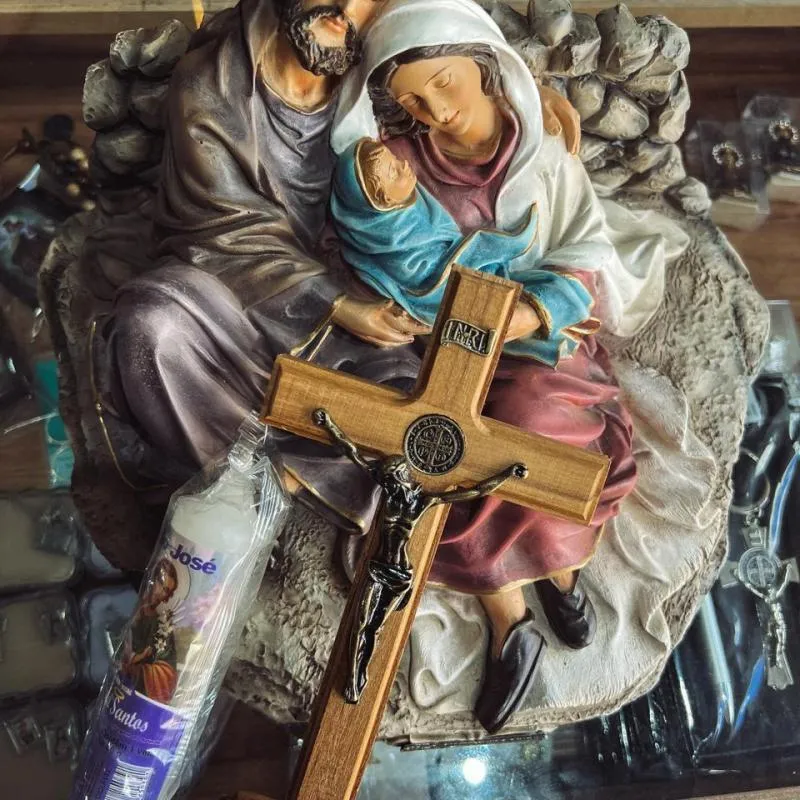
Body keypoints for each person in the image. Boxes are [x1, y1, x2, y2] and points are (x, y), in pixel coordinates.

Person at [328, 0, 686, 731]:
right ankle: (510, 617)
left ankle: (560, 571)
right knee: (438, 442)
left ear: (485, 66)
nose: (436, 112)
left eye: (445, 84)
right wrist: (385, 228)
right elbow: (380, 251)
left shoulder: (541, 156)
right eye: (413, 103)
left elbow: (585, 252)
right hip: (442, 346)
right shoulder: (397, 165)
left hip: (535, 344)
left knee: (530, 421)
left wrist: (529, 312)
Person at [331, 137, 594, 366]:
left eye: (396, 160)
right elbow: (429, 281)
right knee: (515, 310)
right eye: (393, 171)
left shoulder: (411, 201)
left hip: (480, 277)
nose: (403, 165)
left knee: (547, 292)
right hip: (457, 298)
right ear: (383, 199)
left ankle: (556, 314)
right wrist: (488, 248)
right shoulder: (392, 238)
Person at [122, 558, 179, 704]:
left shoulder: (162, 624)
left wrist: (141, 669)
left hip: (139, 692)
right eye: (164, 589)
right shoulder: (130, 601)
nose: (165, 598)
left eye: (169, 593)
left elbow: (169, 665)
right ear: (153, 581)